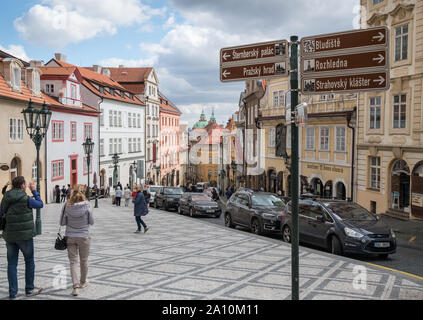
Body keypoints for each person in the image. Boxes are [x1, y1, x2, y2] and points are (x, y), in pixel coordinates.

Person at [1, 176, 44, 299]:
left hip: (10, 236)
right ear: (22, 186)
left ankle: (12, 293)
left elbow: (1, 212)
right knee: (29, 261)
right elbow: (40, 204)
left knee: (11, 264)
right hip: (25, 237)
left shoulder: (6, 197)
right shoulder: (26, 198)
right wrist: (34, 191)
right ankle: (29, 289)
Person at [60, 184, 94, 297]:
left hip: (70, 236)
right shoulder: (87, 205)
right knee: (84, 260)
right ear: (83, 193)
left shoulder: (67, 205)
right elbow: (91, 221)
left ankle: (75, 287)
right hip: (84, 236)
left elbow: (62, 222)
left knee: (73, 262)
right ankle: (83, 282)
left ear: (72, 193)